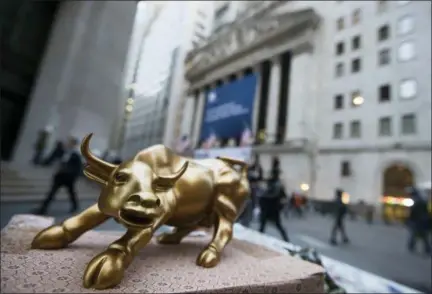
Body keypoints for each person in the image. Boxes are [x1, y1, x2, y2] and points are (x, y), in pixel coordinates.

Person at [35, 136, 83, 214]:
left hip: (69, 178)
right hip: (60, 176)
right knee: (52, 192)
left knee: (71, 193)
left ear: (74, 144)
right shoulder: (63, 151)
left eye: (71, 143)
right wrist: (43, 162)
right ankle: (43, 209)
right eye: (69, 142)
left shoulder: (76, 155)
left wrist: (73, 176)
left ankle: (75, 206)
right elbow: (53, 157)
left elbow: (78, 168)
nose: (69, 144)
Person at [258, 173, 290, 242]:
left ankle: (286, 240)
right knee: (263, 225)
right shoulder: (273, 187)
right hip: (270, 209)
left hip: (272, 209)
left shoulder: (275, 187)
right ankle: (259, 238)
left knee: (273, 225)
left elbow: (281, 197)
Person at [238, 154, 263, 227]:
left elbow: (259, 178)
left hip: (248, 197)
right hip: (244, 196)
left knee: (246, 218)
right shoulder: (243, 172)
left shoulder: (250, 172)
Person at [406, 187, 431, 254]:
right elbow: (426, 211)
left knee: (415, 234)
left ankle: (411, 246)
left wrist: (409, 220)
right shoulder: (422, 200)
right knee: (423, 236)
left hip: (418, 221)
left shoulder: (415, 200)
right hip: (424, 220)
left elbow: (412, 212)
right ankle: (427, 249)